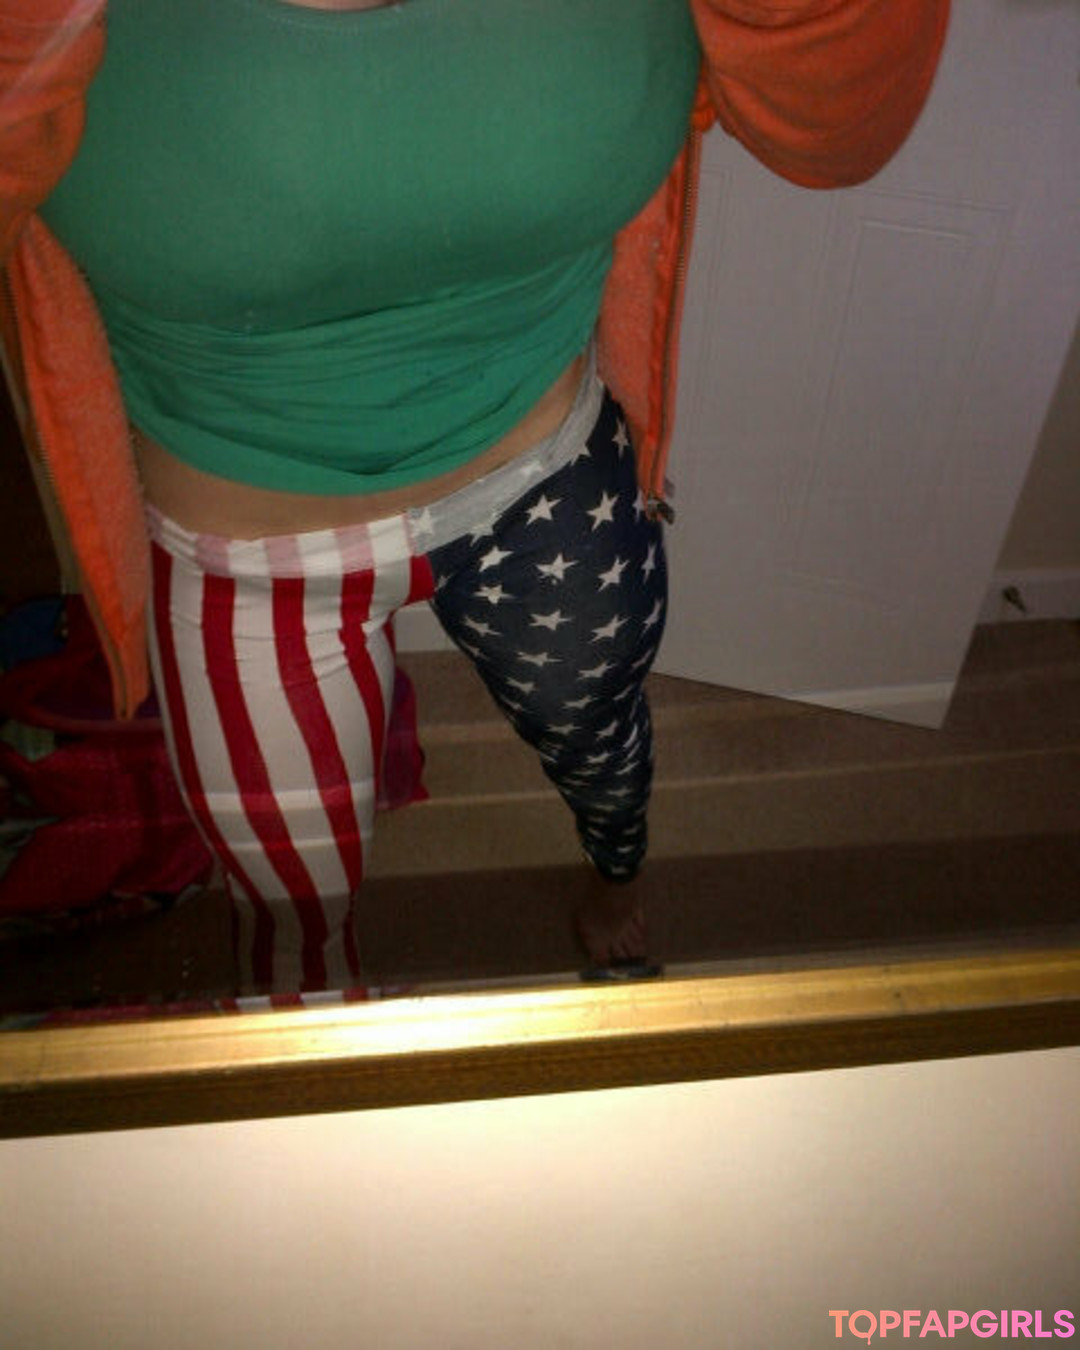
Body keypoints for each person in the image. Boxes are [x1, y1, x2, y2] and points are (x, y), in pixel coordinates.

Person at [0, 0, 950, 995]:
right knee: (292, 942)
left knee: (605, 753)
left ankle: (617, 873)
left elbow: (844, 132)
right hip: (246, 556)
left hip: (547, 477)